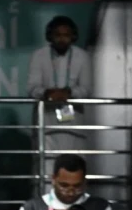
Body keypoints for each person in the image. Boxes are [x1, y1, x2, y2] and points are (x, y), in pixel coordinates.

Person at [27, 15, 93, 172]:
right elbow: (31, 88)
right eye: (58, 35)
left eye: (66, 35)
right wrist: (48, 93)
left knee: (74, 166)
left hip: (74, 123)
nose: (62, 39)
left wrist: (68, 93)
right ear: (50, 36)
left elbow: (86, 89)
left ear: (73, 36)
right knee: (46, 168)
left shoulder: (82, 56)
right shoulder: (39, 55)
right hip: (46, 121)